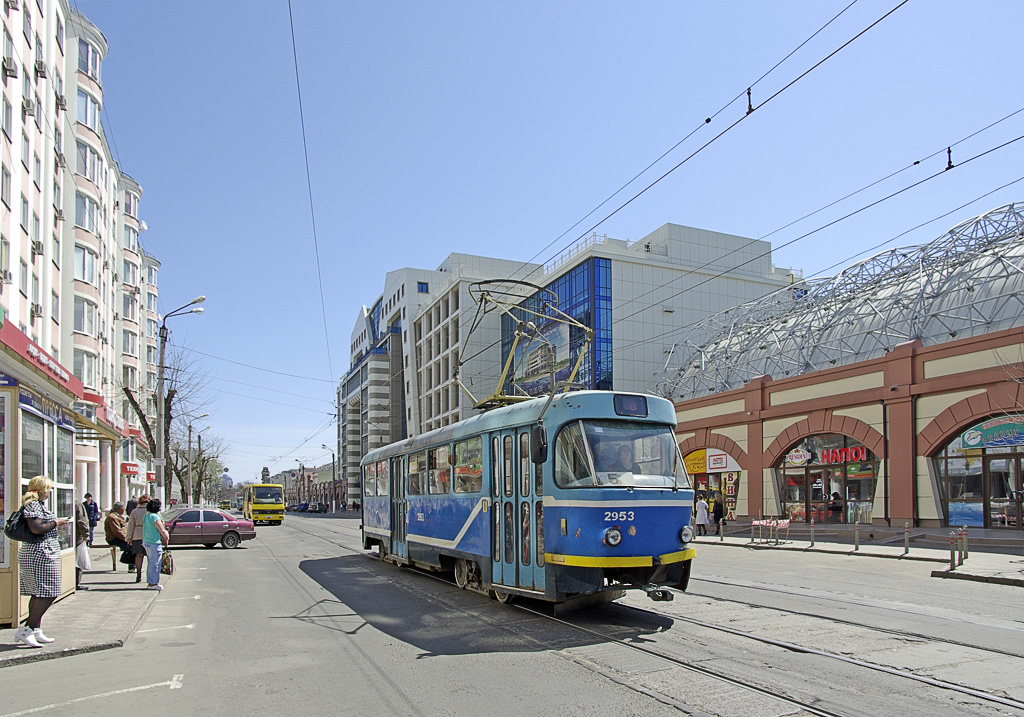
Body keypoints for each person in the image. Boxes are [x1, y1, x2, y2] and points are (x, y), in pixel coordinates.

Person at [14, 476, 70, 648]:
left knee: (38, 593)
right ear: (42, 489)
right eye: (49, 489)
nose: (50, 492)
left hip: (41, 552)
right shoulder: (33, 505)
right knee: (50, 591)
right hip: (40, 553)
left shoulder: (36, 505)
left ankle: (36, 629)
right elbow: (36, 528)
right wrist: (56, 522)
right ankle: (27, 629)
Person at [141, 498, 170, 591]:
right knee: (155, 563)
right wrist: (166, 537)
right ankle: (153, 583)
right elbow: (162, 530)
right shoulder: (155, 517)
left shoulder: (146, 515)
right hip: (154, 542)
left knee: (151, 562)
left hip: (146, 541)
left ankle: (151, 581)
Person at [125, 494, 150, 583]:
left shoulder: (134, 511)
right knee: (150, 556)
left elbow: (130, 526)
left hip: (137, 535)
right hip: (149, 535)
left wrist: (129, 538)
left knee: (139, 555)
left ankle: (138, 574)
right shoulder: (151, 511)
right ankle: (150, 576)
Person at [104, 502, 131, 569]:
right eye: (123, 509)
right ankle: (131, 566)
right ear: (119, 509)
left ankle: (132, 566)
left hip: (118, 537)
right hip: (113, 539)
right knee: (130, 547)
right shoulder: (112, 517)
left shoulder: (116, 516)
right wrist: (126, 539)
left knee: (133, 545)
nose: (124, 511)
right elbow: (117, 531)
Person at [74, 497, 90, 590]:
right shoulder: (77, 504)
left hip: (71, 536)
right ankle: (76, 583)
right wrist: (85, 534)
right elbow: (81, 520)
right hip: (77, 538)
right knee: (77, 561)